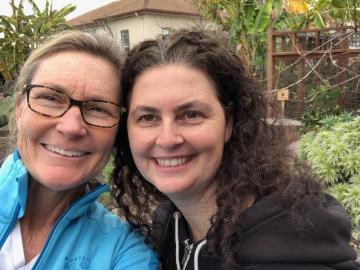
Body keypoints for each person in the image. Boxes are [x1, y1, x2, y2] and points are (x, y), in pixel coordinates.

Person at [111, 29, 360, 270]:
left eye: (191, 114)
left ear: (229, 123)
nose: (167, 139)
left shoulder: (291, 253)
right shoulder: (169, 226)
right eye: (147, 117)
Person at [0, 30, 157, 269]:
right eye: (51, 98)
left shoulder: (123, 253)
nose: (71, 127)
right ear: (20, 110)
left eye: (98, 109)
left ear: (118, 132)